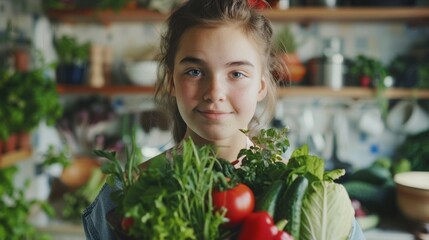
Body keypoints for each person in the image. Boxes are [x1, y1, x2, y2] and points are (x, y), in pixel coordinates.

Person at [82, 0, 365, 239]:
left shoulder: (311, 196)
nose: (214, 93)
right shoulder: (123, 193)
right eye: (194, 71)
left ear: (261, 86)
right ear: (171, 80)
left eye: (237, 73)